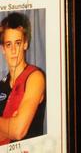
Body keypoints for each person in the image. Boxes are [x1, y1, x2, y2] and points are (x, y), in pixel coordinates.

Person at [0, 13, 45, 145]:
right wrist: (9, 125)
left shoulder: (35, 77)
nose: (14, 50)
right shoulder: (1, 84)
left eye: (18, 43)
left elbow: (18, 130)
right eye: (8, 44)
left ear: (25, 44)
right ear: (3, 49)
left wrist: (10, 126)